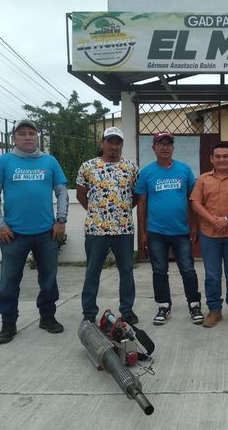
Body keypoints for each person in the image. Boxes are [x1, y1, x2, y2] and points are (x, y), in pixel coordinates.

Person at [0, 119, 68, 344]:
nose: (27, 137)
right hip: (13, 234)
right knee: (9, 281)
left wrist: (61, 220)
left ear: (37, 137)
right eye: (22, 133)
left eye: (31, 133)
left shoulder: (49, 161)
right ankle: (8, 323)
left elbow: (62, 192)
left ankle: (47, 317)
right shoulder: (4, 162)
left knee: (49, 278)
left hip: (46, 233)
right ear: (14, 138)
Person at [136, 131, 204, 325]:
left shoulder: (184, 170)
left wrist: (194, 225)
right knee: (159, 270)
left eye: (168, 144)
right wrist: (143, 232)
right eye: (161, 144)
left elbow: (193, 200)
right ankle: (164, 305)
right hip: (156, 232)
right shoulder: (146, 173)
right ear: (154, 148)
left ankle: (194, 304)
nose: (165, 147)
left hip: (181, 231)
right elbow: (141, 204)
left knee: (188, 269)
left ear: (173, 147)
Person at [76, 127, 139, 325]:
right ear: (102, 143)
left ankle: (127, 310)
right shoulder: (88, 167)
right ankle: (89, 312)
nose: (114, 146)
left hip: (124, 229)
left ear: (122, 145)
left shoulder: (131, 168)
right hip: (96, 230)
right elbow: (80, 195)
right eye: (110, 142)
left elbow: (136, 196)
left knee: (126, 271)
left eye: (118, 143)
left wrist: (122, 211)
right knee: (92, 271)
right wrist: (97, 212)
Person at [190, 143, 228, 328]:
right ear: (211, 159)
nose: (221, 159)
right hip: (209, 234)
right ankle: (214, 310)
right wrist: (213, 220)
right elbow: (195, 203)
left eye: (225, 156)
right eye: (217, 156)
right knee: (212, 275)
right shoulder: (202, 179)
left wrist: (227, 218)